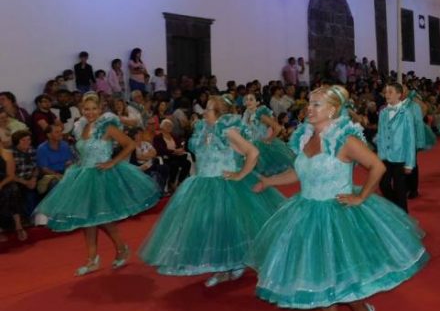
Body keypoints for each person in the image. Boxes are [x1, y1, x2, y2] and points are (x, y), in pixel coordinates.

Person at [247, 85, 428, 311]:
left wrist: (362, 196)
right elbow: (299, 174)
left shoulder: (346, 139)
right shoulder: (304, 136)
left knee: (344, 278)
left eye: (317, 104)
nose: (309, 108)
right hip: (306, 212)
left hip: (338, 215)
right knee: (318, 274)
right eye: (309, 103)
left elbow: (377, 167)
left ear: (333, 109)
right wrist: (269, 181)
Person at [140, 96, 284, 286]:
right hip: (202, 185)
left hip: (225, 186)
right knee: (211, 227)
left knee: (227, 226)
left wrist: (240, 175)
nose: (204, 112)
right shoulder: (202, 130)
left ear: (219, 114)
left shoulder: (228, 131)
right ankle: (227, 266)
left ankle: (232, 265)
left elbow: (253, 152)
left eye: (208, 109)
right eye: (206, 108)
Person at [33, 92, 161, 275]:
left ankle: (120, 249)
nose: (90, 112)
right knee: (88, 220)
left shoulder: (107, 127)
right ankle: (93, 259)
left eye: (94, 109)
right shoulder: (80, 128)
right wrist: (79, 164)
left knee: (103, 219)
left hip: (102, 176)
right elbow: (84, 153)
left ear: (100, 109)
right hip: (84, 175)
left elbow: (130, 145)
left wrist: (112, 162)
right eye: (87, 109)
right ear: (82, 109)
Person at [375, 83, 416, 212]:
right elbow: (380, 134)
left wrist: (409, 163)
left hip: (400, 157)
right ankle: (396, 208)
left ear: (399, 94)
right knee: (383, 185)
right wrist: (379, 155)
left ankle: (404, 215)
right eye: (386, 92)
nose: (387, 95)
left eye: (390, 92)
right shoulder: (383, 112)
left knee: (400, 188)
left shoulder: (406, 113)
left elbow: (410, 139)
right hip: (385, 156)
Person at [241, 94, 295, 176]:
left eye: (251, 99)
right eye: (246, 100)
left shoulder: (260, 114)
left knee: (267, 172)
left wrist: (269, 139)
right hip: (251, 146)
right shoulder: (246, 115)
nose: (248, 101)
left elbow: (277, 127)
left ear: (257, 102)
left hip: (263, 146)